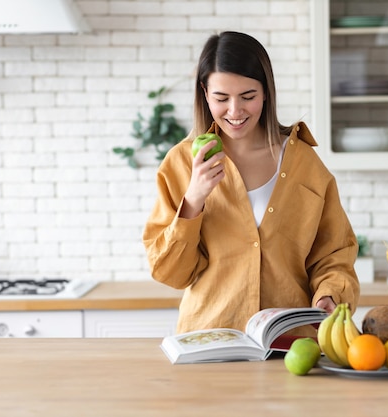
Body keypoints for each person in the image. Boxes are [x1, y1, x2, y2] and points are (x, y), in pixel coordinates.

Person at [142, 31, 360, 335]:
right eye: (221, 98)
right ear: (205, 93)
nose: (235, 111)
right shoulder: (180, 164)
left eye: (248, 97)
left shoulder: (303, 162)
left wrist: (329, 295)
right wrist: (193, 199)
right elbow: (170, 273)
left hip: (292, 342)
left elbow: (335, 254)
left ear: (266, 92)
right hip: (209, 340)